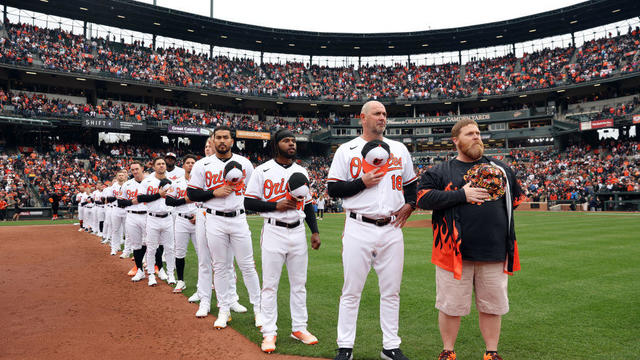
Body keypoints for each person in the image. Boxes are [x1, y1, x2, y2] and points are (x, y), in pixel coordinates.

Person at [416, 119, 525, 360]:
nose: (476, 137)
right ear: (456, 140)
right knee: (450, 306)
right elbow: (422, 198)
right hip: (453, 252)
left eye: (478, 133)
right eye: (469, 134)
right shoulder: (440, 171)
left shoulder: (501, 169)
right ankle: (448, 351)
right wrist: (461, 195)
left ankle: (491, 352)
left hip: (495, 250)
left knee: (492, 306)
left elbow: (516, 200)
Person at [327, 100, 417, 360]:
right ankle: (345, 347)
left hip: (391, 228)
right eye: (377, 113)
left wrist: (410, 204)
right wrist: (361, 182)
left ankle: (390, 346)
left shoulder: (399, 148)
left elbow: (411, 184)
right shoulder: (347, 149)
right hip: (358, 225)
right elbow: (334, 189)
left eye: (385, 114)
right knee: (351, 290)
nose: (382, 118)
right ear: (362, 118)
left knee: (391, 291)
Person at [244, 129, 322, 353]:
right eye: (286, 140)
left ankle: (299, 328)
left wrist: (314, 231)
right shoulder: (262, 170)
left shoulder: (301, 170)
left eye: (293, 141)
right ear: (276, 144)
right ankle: (269, 332)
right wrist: (274, 206)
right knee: (270, 285)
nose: (291, 144)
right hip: (274, 230)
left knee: (299, 284)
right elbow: (248, 202)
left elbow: (307, 204)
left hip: (297, 232)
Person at [187, 126, 262, 328]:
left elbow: (254, 192)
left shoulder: (245, 163)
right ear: (212, 140)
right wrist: (213, 192)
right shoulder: (203, 164)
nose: (221, 141)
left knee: (247, 265)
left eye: (225, 137)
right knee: (219, 267)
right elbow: (192, 194)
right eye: (218, 137)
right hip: (214, 218)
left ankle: (259, 310)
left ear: (232, 141)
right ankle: (224, 309)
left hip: (238, 218)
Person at [138, 157, 176, 287]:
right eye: (158, 164)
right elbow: (140, 197)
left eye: (163, 164)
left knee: (170, 248)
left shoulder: (173, 180)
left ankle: (171, 274)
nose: (161, 166)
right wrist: (158, 195)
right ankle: (151, 276)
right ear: (154, 166)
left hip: (168, 217)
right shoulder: (147, 180)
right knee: (151, 248)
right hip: (152, 217)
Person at [166, 154, 198, 293]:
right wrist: (185, 200)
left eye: (193, 163)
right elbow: (169, 201)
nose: (191, 165)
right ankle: (180, 281)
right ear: (183, 165)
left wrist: (200, 214)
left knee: (203, 253)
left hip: (199, 220)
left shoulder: (201, 183)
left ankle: (205, 282)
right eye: (188, 163)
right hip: (181, 219)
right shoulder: (177, 182)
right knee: (179, 252)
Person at [117, 161, 148, 282]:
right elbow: (120, 202)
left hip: (147, 215)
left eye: (137, 169)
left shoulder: (150, 182)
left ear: (142, 168)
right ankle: (139, 269)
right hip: (132, 215)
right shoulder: (127, 184)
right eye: (133, 170)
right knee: (136, 244)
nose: (135, 171)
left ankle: (153, 267)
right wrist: (131, 202)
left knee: (149, 242)